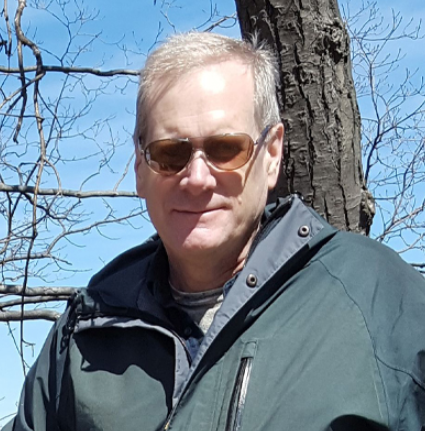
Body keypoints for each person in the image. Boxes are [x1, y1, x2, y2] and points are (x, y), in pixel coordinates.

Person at [6, 32, 425, 431]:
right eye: (170, 153)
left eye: (226, 149)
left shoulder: (377, 302)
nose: (197, 178)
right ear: (139, 166)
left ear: (271, 154)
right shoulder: (87, 332)